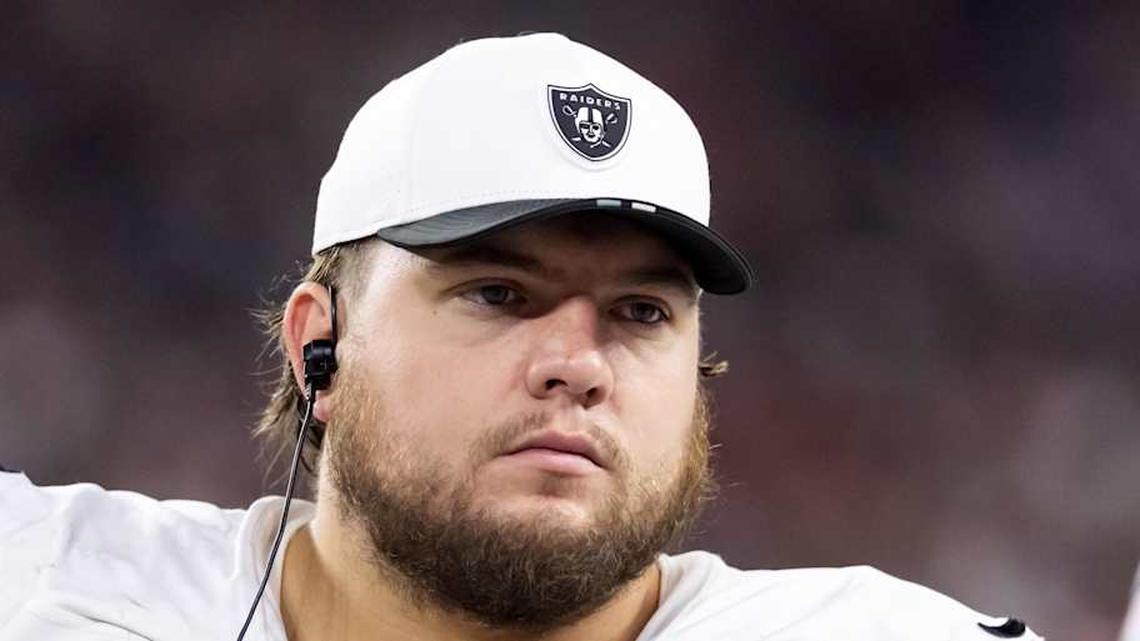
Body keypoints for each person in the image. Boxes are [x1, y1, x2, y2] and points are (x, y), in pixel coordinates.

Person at [0, 33, 1043, 641]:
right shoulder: (46, 583)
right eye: (499, 293)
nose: (577, 364)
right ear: (321, 345)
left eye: (641, 311)